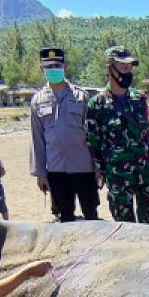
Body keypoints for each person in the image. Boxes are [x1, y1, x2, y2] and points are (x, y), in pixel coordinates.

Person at [85, 46, 149, 225]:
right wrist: (100, 170)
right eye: (123, 67)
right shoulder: (97, 104)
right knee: (124, 228)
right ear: (110, 68)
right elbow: (93, 141)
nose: (128, 72)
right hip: (118, 176)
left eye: (130, 68)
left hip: (146, 172)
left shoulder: (140, 98)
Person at [30, 46, 101, 222]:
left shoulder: (81, 97)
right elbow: (37, 139)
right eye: (48, 67)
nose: (53, 70)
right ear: (42, 69)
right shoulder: (37, 100)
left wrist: (98, 168)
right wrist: (40, 173)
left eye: (57, 66)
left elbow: (93, 135)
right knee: (65, 217)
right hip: (56, 169)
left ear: (65, 67)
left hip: (83, 167)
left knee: (91, 214)